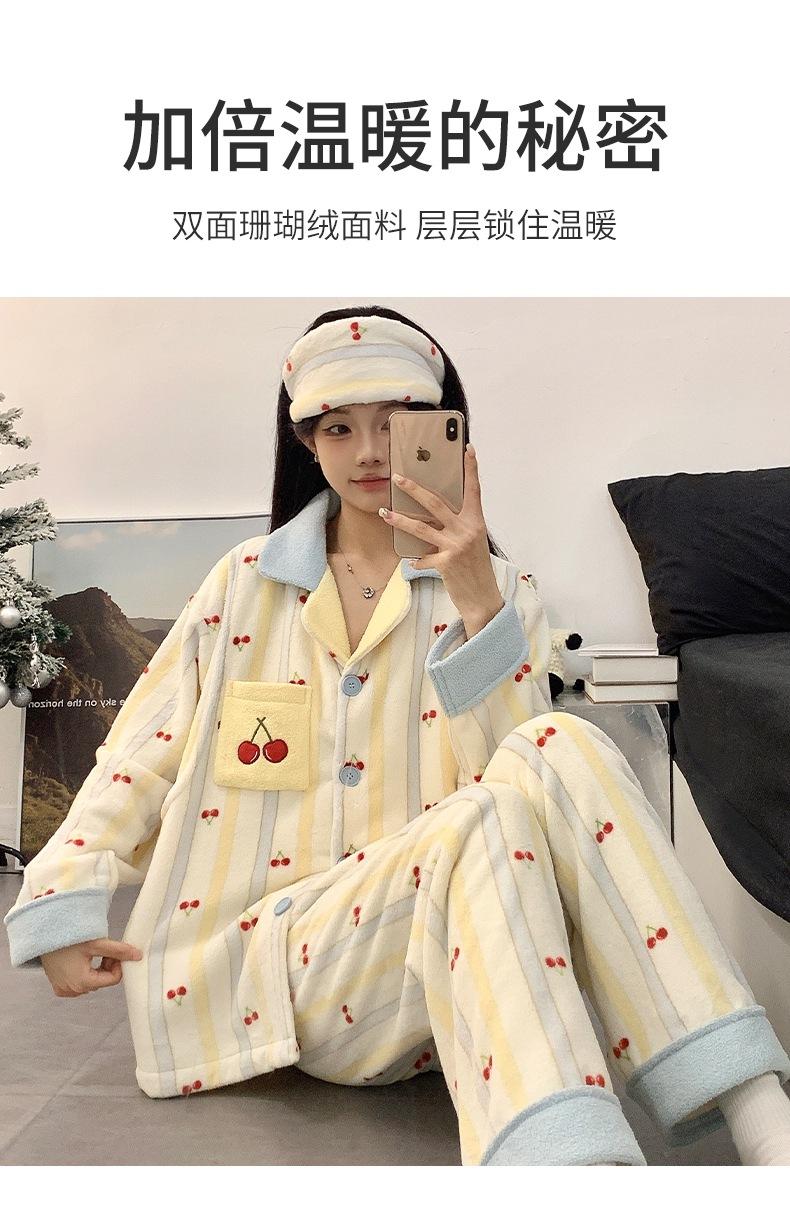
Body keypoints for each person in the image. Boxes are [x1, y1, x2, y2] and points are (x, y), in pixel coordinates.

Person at [5, 304, 790, 1166]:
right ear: (306, 442)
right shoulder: (244, 586)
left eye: (395, 424)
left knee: (555, 750)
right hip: (277, 973)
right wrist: (62, 901)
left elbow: (531, 794)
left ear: (444, 431)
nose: (371, 451)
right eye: (340, 427)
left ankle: (745, 1118)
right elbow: (138, 751)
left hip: (448, 967)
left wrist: (476, 600)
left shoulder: (500, 591)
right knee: (490, 809)